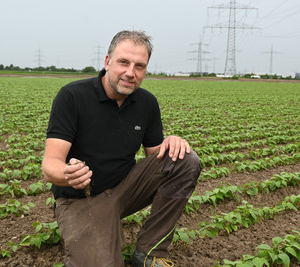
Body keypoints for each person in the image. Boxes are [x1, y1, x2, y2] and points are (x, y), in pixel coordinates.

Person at [41, 30, 202, 267]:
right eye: (123, 62)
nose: (130, 72)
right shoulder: (73, 96)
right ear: (107, 62)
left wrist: (172, 142)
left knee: (184, 160)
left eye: (139, 66)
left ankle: (150, 253)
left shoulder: (146, 103)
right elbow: (49, 165)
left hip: (124, 190)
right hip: (81, 199)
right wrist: (67, 174)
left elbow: (156, 157)